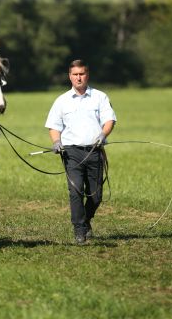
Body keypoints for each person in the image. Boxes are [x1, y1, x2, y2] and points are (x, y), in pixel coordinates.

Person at [45, 59, 116, 245]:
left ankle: (85, 220)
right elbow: (53, 126)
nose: (78, 77)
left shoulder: (100, 97)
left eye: (82, 74)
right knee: (76, 191)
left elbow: (110, 120)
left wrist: (103, 134)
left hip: (95, 151)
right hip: (71, 153)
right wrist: (56, 141)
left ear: (87, 75)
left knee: (96, 195)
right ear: (70, 76)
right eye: (75, 74)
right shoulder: (61, 101)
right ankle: (79, 230)